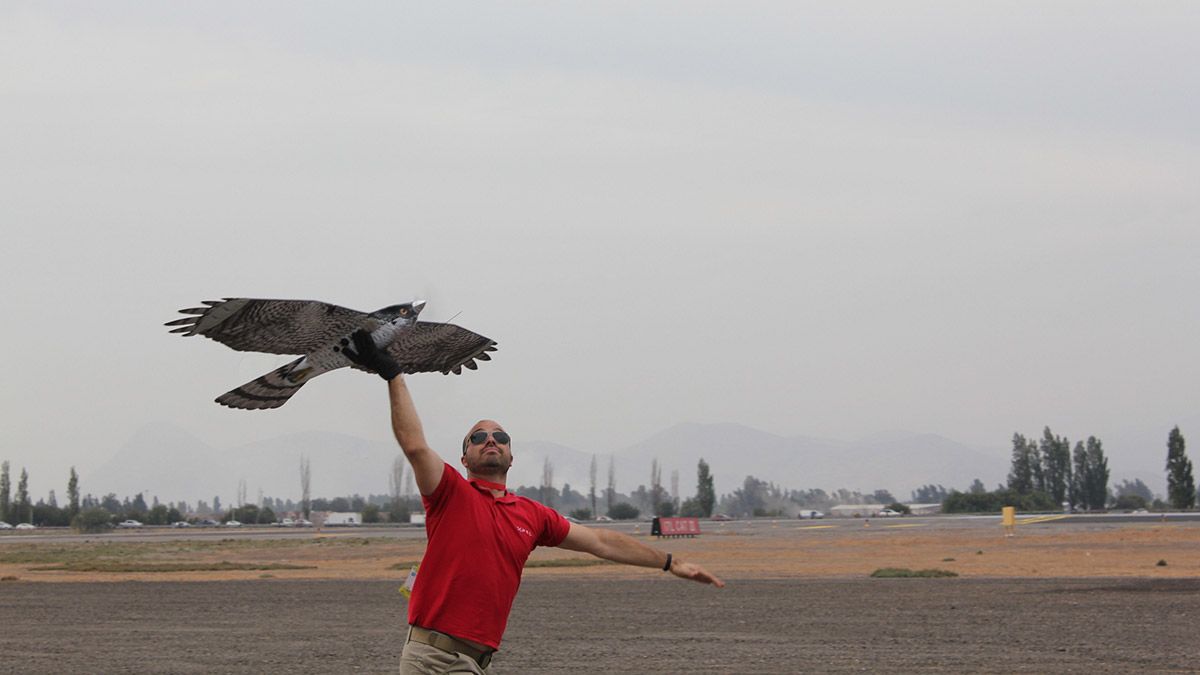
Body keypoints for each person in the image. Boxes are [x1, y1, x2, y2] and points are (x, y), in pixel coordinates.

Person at [343, 330, 724, 674]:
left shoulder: (531, 515)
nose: (490, 440)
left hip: (474, 662)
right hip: (434, 659)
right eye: (478, 438)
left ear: (511, 456)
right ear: (464, 459)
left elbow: (601, 542)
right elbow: (414, 445)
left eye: (500, 436)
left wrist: (672, 562)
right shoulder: (449, 493)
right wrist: (393, 375)